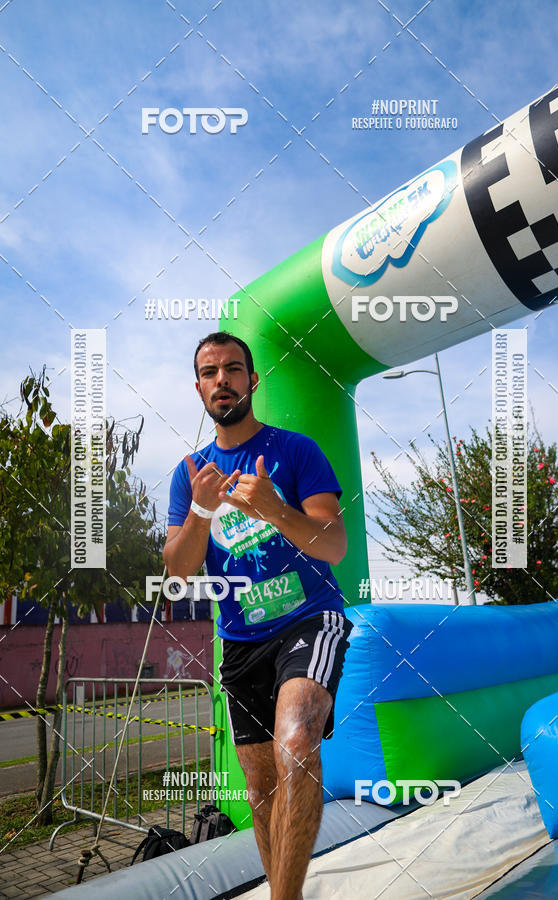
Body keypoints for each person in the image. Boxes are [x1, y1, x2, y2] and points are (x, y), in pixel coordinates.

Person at [164, 331, 353, 900]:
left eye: (232, 369)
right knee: (262, 788)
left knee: (295, 741)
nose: (222, 379)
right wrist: (200, 509)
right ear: (198, 387)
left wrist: (274, 508)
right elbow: (177, 573)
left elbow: (334, 545)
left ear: (251, 380)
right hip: (240, 639)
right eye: (210, 371)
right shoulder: (190, 471)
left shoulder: (295, 451)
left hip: (308, 620)